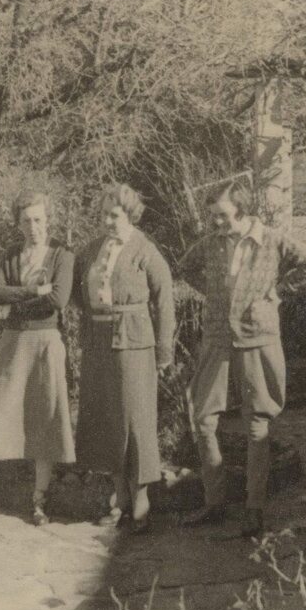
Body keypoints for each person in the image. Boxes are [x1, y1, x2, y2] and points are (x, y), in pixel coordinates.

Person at [177, 179, 306, 538]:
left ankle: (254, 508)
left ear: (243, 212)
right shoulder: (211, 244)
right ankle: (215, 502)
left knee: (257, 423)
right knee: (202, 419)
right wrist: (215, 295)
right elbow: (185, 267)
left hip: (258, 337)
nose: (216, 223)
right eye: (212, 216)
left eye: (223, 216)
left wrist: (279, 290)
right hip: (216, 338)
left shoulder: (272, 240)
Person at [0, 191, 75, 525]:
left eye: (39, 219)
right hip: (13, 342)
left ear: (48, 221)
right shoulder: (11, 255)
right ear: (18, 223)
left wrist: (19, 299)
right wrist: (31, 291)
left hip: (45, 343)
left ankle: (39, 501)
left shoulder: (61, 255)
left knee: (45, 417)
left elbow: (58, 299)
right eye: (27, 220)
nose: (34, 227)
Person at [73, 183, 175, 534]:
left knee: (135, 418)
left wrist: (164, 351)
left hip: (134, 342)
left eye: (114, 215)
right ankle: (120, 498)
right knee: (106, 416)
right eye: (103, 214)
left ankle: (142, 499)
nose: (107, 221)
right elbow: (75, 292)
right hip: (97, 342)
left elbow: (164, 301)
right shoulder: (91, 250)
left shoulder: (144, 250)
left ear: (129, 214)